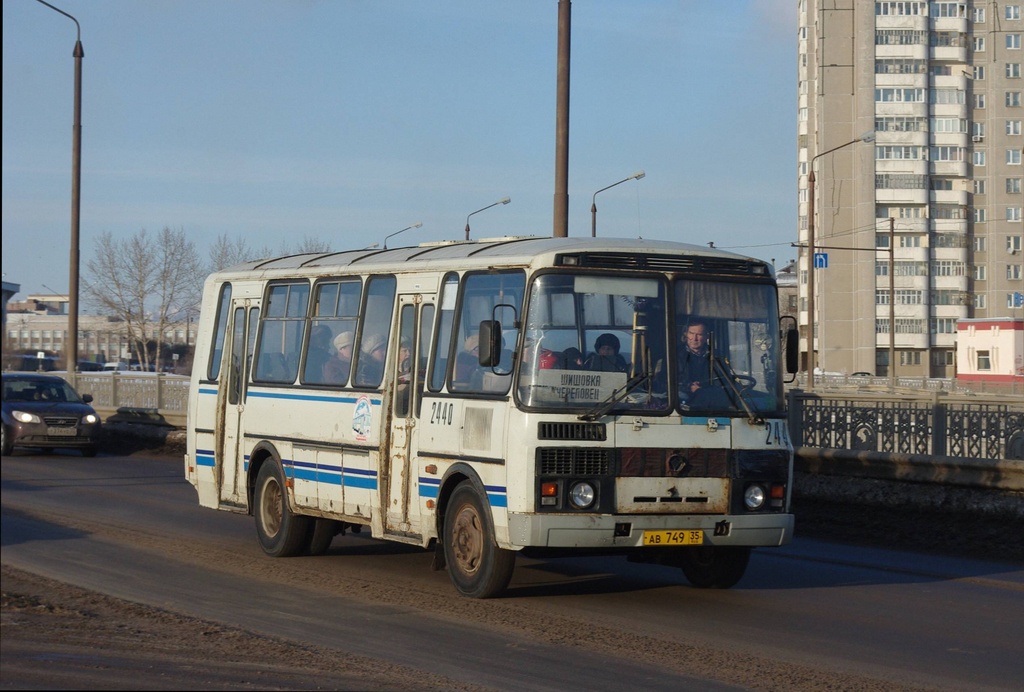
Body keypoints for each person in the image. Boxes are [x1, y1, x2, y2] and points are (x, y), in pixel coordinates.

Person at [678, 319, 712, 400]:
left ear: (706, 336)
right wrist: (689, 386)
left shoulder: (716, 355)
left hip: (709, 397)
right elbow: (663, 382)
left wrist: (703, 388)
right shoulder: (674, 355)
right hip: (682, 401)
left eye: (699, 334)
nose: (694, 338)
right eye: (691, 333)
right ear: (686, 334)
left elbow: (723, 380)